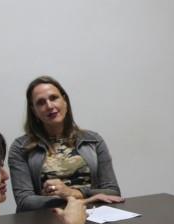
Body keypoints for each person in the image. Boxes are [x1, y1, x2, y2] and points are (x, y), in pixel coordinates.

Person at [9, 75, 122, 212]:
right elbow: (24, 201)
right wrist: (85, 200)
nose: (49, 106)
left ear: (65, 101)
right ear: (34, 111)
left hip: (95, 218)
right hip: (46, 221)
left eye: (54, 98)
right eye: (41, 102)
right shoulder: (21, 147)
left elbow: (113, 191)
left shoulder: (93, 140)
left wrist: (72, 192)